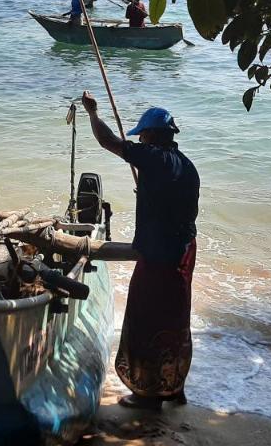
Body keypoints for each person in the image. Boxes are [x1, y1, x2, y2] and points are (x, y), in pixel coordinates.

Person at [81, 91, 199, 410]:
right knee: (175, 318)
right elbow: (171, 201)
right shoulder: (186, 167)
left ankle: (147, 395)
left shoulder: (152, 157)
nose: (141, 140)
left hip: (160, 255)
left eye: (142, 135)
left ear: (149, 135)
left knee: (145, 319)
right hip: (185, 252)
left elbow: (108, 141)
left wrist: (93, 113)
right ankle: (173, 388)